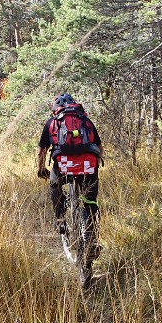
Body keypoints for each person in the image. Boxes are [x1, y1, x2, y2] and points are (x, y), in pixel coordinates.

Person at [36, 93, 103, 239]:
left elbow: (42, 151)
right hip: (87, 165)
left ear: (55, 108)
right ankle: (92, 238)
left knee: (55, 185)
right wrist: (96, 164)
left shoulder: (52, 122)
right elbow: (99, 146)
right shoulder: (85, 120)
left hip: (63, 166)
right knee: (90, 199)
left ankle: (60, 220)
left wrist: (41, 169)